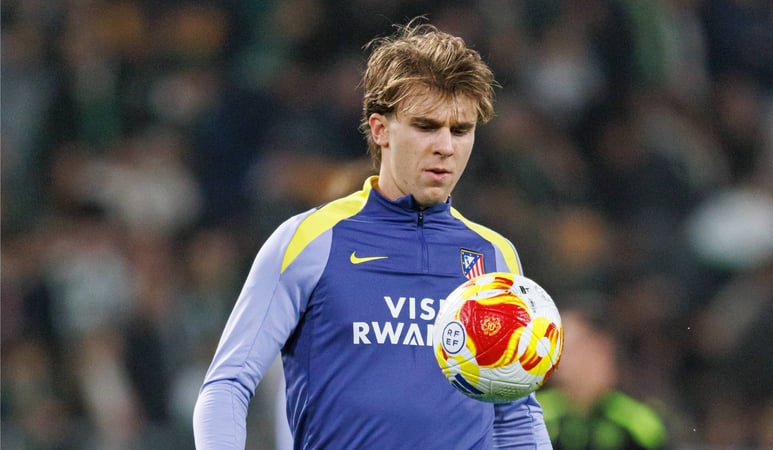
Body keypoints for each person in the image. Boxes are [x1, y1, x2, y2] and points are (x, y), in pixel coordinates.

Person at [193, 19, 552, 449]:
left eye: (461, 130)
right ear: (380, 129)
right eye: (426, 126)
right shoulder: (311, 240)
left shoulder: (494, 257)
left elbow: (516, 416)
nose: (446, 146)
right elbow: (228, 386)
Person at [537, 302, 668, 449]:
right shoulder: (534, 417)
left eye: (568, 348)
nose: (557, 358)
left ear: (600, 348)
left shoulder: (638, 424)